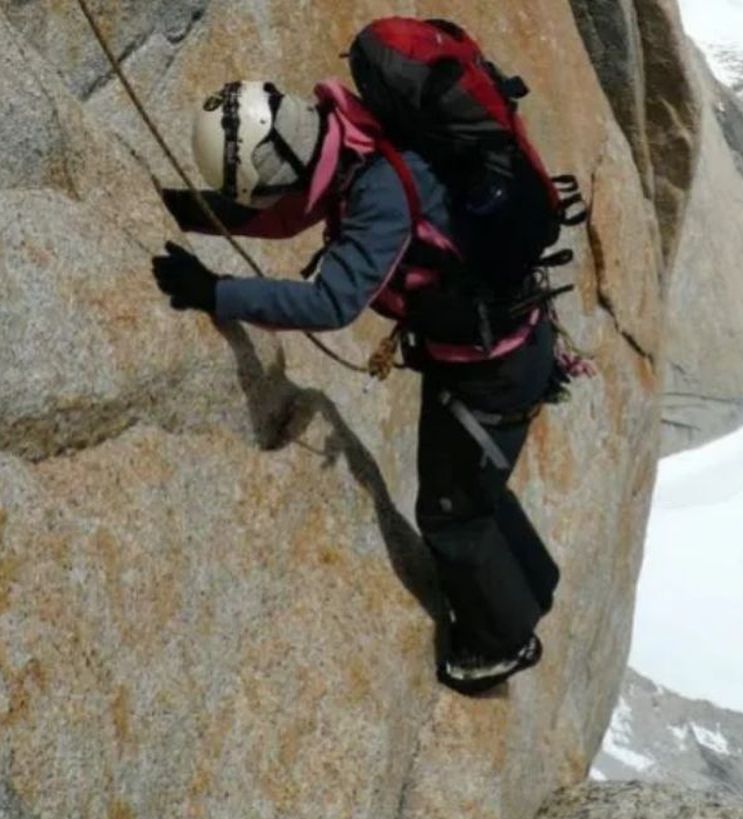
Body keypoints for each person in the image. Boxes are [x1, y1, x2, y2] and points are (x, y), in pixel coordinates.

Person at [151, 65, 574, 695]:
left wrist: (218, 293)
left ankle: (504, 640)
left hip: (493, 366)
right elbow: (293, 208)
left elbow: (333, 302)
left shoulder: (379, 192)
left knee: (450, 511)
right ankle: (532, 584)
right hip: (487, 349)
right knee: (474, 486)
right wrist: (195, 214)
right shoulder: (343, 132)